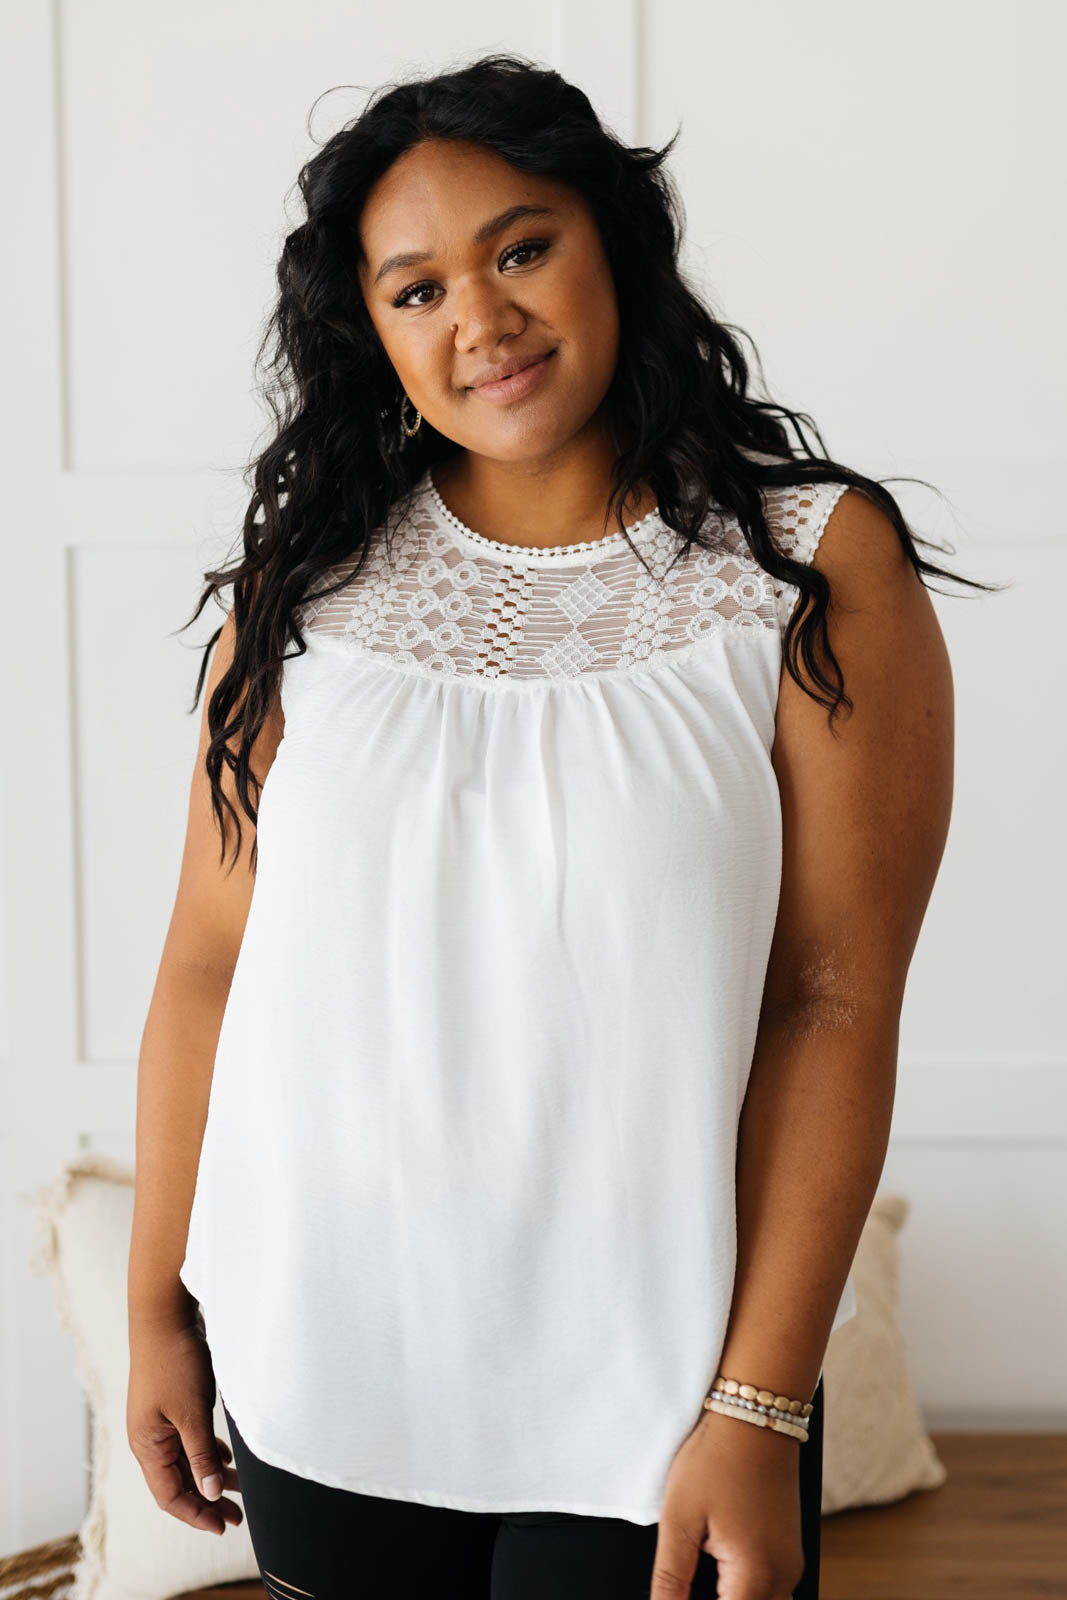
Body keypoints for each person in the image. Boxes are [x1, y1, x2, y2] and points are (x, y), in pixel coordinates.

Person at [125, 53, 978, 1600]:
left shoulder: (809, 565)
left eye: (521, 249)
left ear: (615, 247)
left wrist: (760, 1407)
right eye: (417, 289)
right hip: (326, 1358)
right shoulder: (306, 588)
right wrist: (154, 1311)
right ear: (372, 332)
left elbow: (834, 1003)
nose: (482, 319)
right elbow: (206, 966)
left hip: (665, 1385)